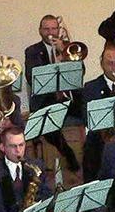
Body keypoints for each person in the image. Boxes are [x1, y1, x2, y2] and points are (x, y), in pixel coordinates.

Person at [25, 14, 83, 171]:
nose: (50, 32)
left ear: (59, 29)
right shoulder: (32, 51)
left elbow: (80, 73)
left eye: (53, 28)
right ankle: (68, 153)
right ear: (40, 31)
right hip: (46, 99)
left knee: (90, 108)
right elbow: (32, 78)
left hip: (68, 99)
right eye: (46, 29)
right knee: (49, 118)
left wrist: (64, 52)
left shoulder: (68, 47)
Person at [82, 43, 115, 182]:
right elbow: (87, 118)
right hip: (99, 139)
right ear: (102, 63)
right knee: (92, 149)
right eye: (109, 63)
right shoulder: (91, 87)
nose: (113, 67)